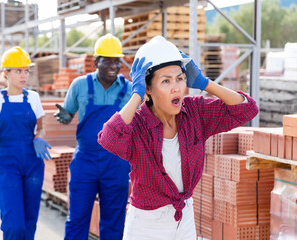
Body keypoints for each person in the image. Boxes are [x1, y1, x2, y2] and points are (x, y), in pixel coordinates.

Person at [98, 36, 259, 239]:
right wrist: (136, 96)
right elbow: (108, 138)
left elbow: (247, 109)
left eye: (180, 79)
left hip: (184, 220)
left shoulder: (194, 112)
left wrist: (205, 83)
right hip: (146, 225)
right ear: (147, 87)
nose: (176, 88)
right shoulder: (137, 125)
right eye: (166, 81)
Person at [54, 33, 132, 240]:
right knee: (77, 219)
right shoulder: (80, 85)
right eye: (108, 61)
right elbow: (68, 112)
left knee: (114, 223)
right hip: (85, 161)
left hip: (116, 164)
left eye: (117, 61)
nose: (114, 66)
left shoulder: (130, 90)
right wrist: (65, 116)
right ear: (96, 61)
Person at [0, 46, 52, 240]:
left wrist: (39, 137)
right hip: (7, 165)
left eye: (26, 71)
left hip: (33, 164)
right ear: (6, 73)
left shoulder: (33, 98)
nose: (24, 75)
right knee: (13, 224)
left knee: (30, 221)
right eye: (18, 71)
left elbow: (40, 126)